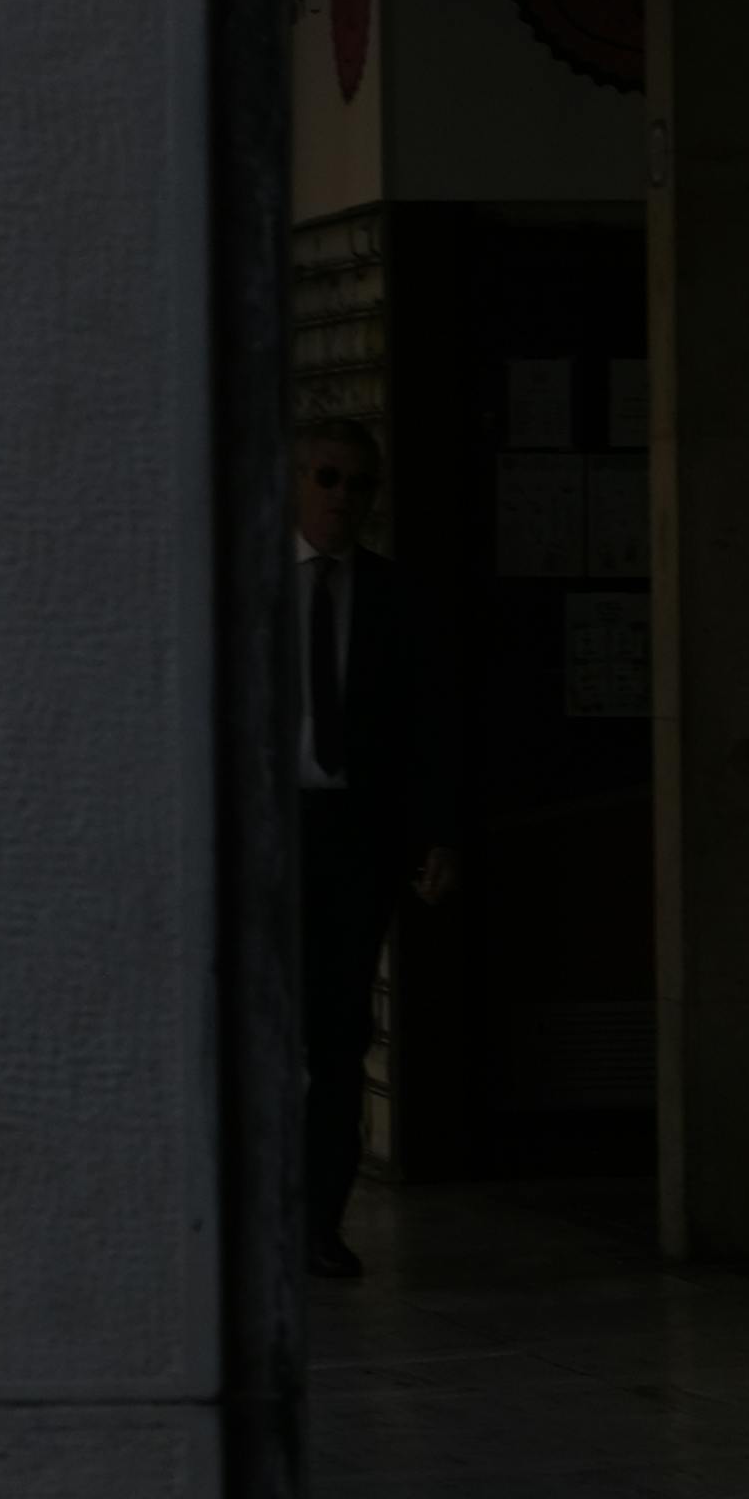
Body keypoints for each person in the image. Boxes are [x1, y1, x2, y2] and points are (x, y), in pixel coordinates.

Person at [291, 421, 451, 1282]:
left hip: (354, 836)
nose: (343, 497)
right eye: (327, 477)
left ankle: (322, 1221)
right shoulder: (249, 589)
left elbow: (429, 726)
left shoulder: (393, 598)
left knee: (341, 1035)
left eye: (360, 484)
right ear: (294, 483)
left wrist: (435, 834)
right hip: (269, 835)